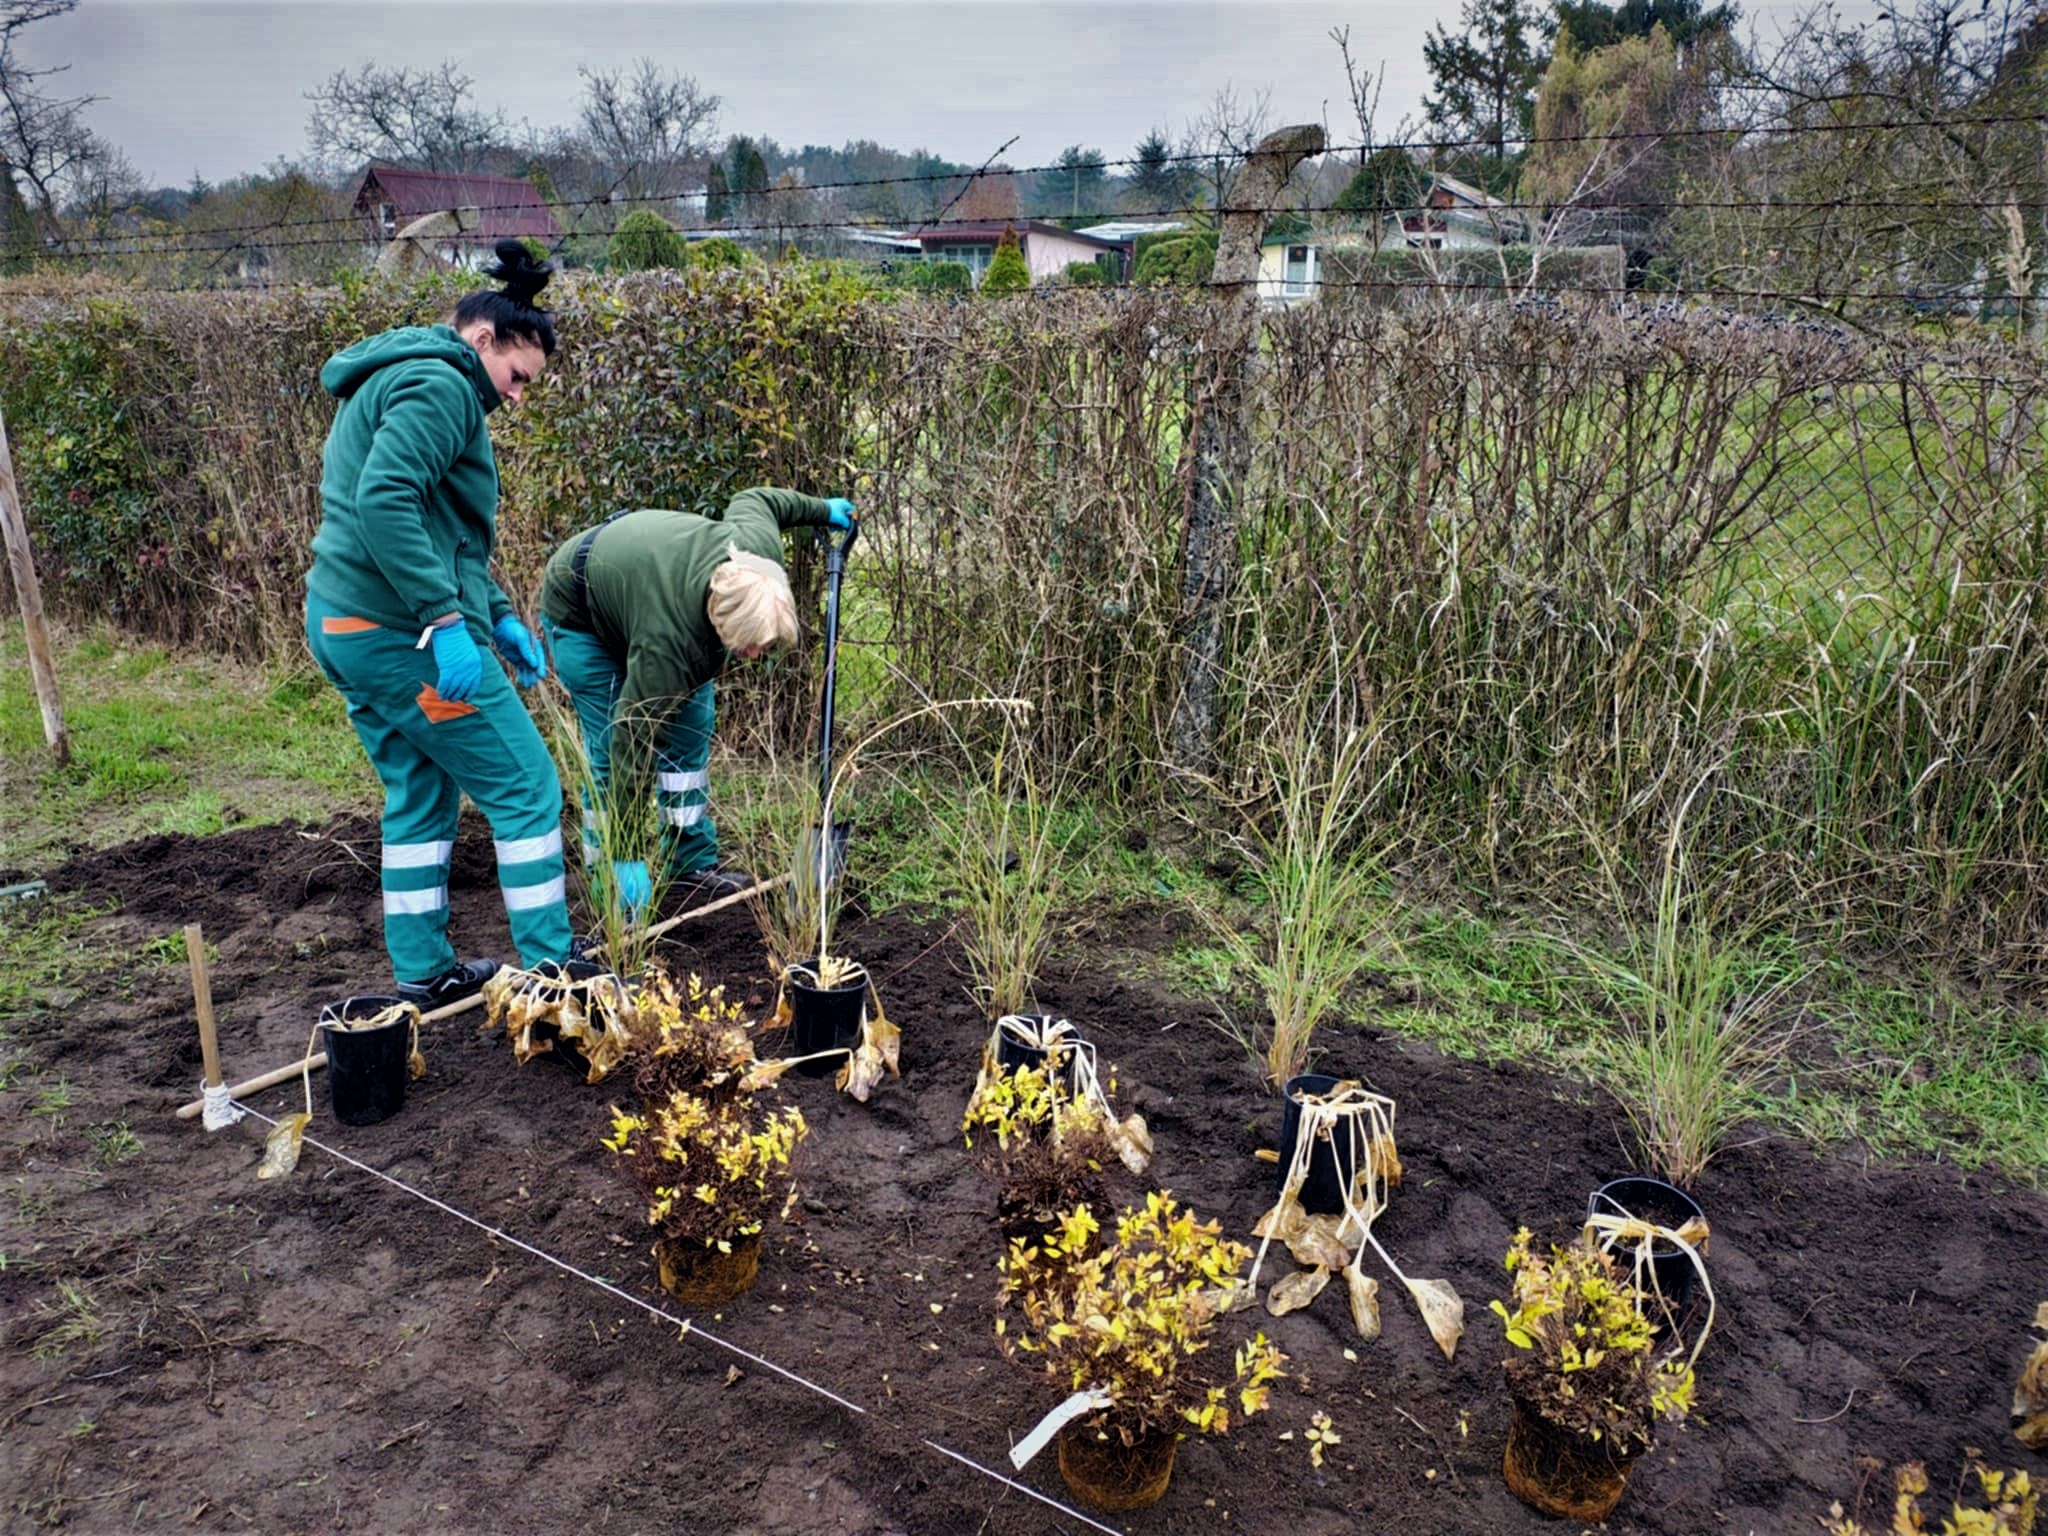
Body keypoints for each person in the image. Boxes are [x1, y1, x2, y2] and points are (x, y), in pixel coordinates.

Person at [304, 239, 573, 1008]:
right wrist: (446, 624)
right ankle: (556, 979)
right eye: (520, 377)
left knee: (421, 792)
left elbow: (435, 529)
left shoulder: (410, 374)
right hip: (401, 639)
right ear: (485, 338)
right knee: (526, 784)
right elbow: (384, 502)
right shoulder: (441, 387)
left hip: (347, 628)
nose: (519, 396)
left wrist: (492, 614)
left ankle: (423, 972)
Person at [538, 487, 855, 913]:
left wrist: (822, 510)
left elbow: (756, 500)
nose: (756, 656)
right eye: (750, 646)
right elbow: (631, 743)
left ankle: (689, 864)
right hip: (582, 612)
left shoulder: (757, 555)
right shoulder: (669, 646)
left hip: (645, 585)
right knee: (607, 751)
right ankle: (608, 875)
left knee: (689, 729)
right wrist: (628, 858)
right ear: (716, 617)